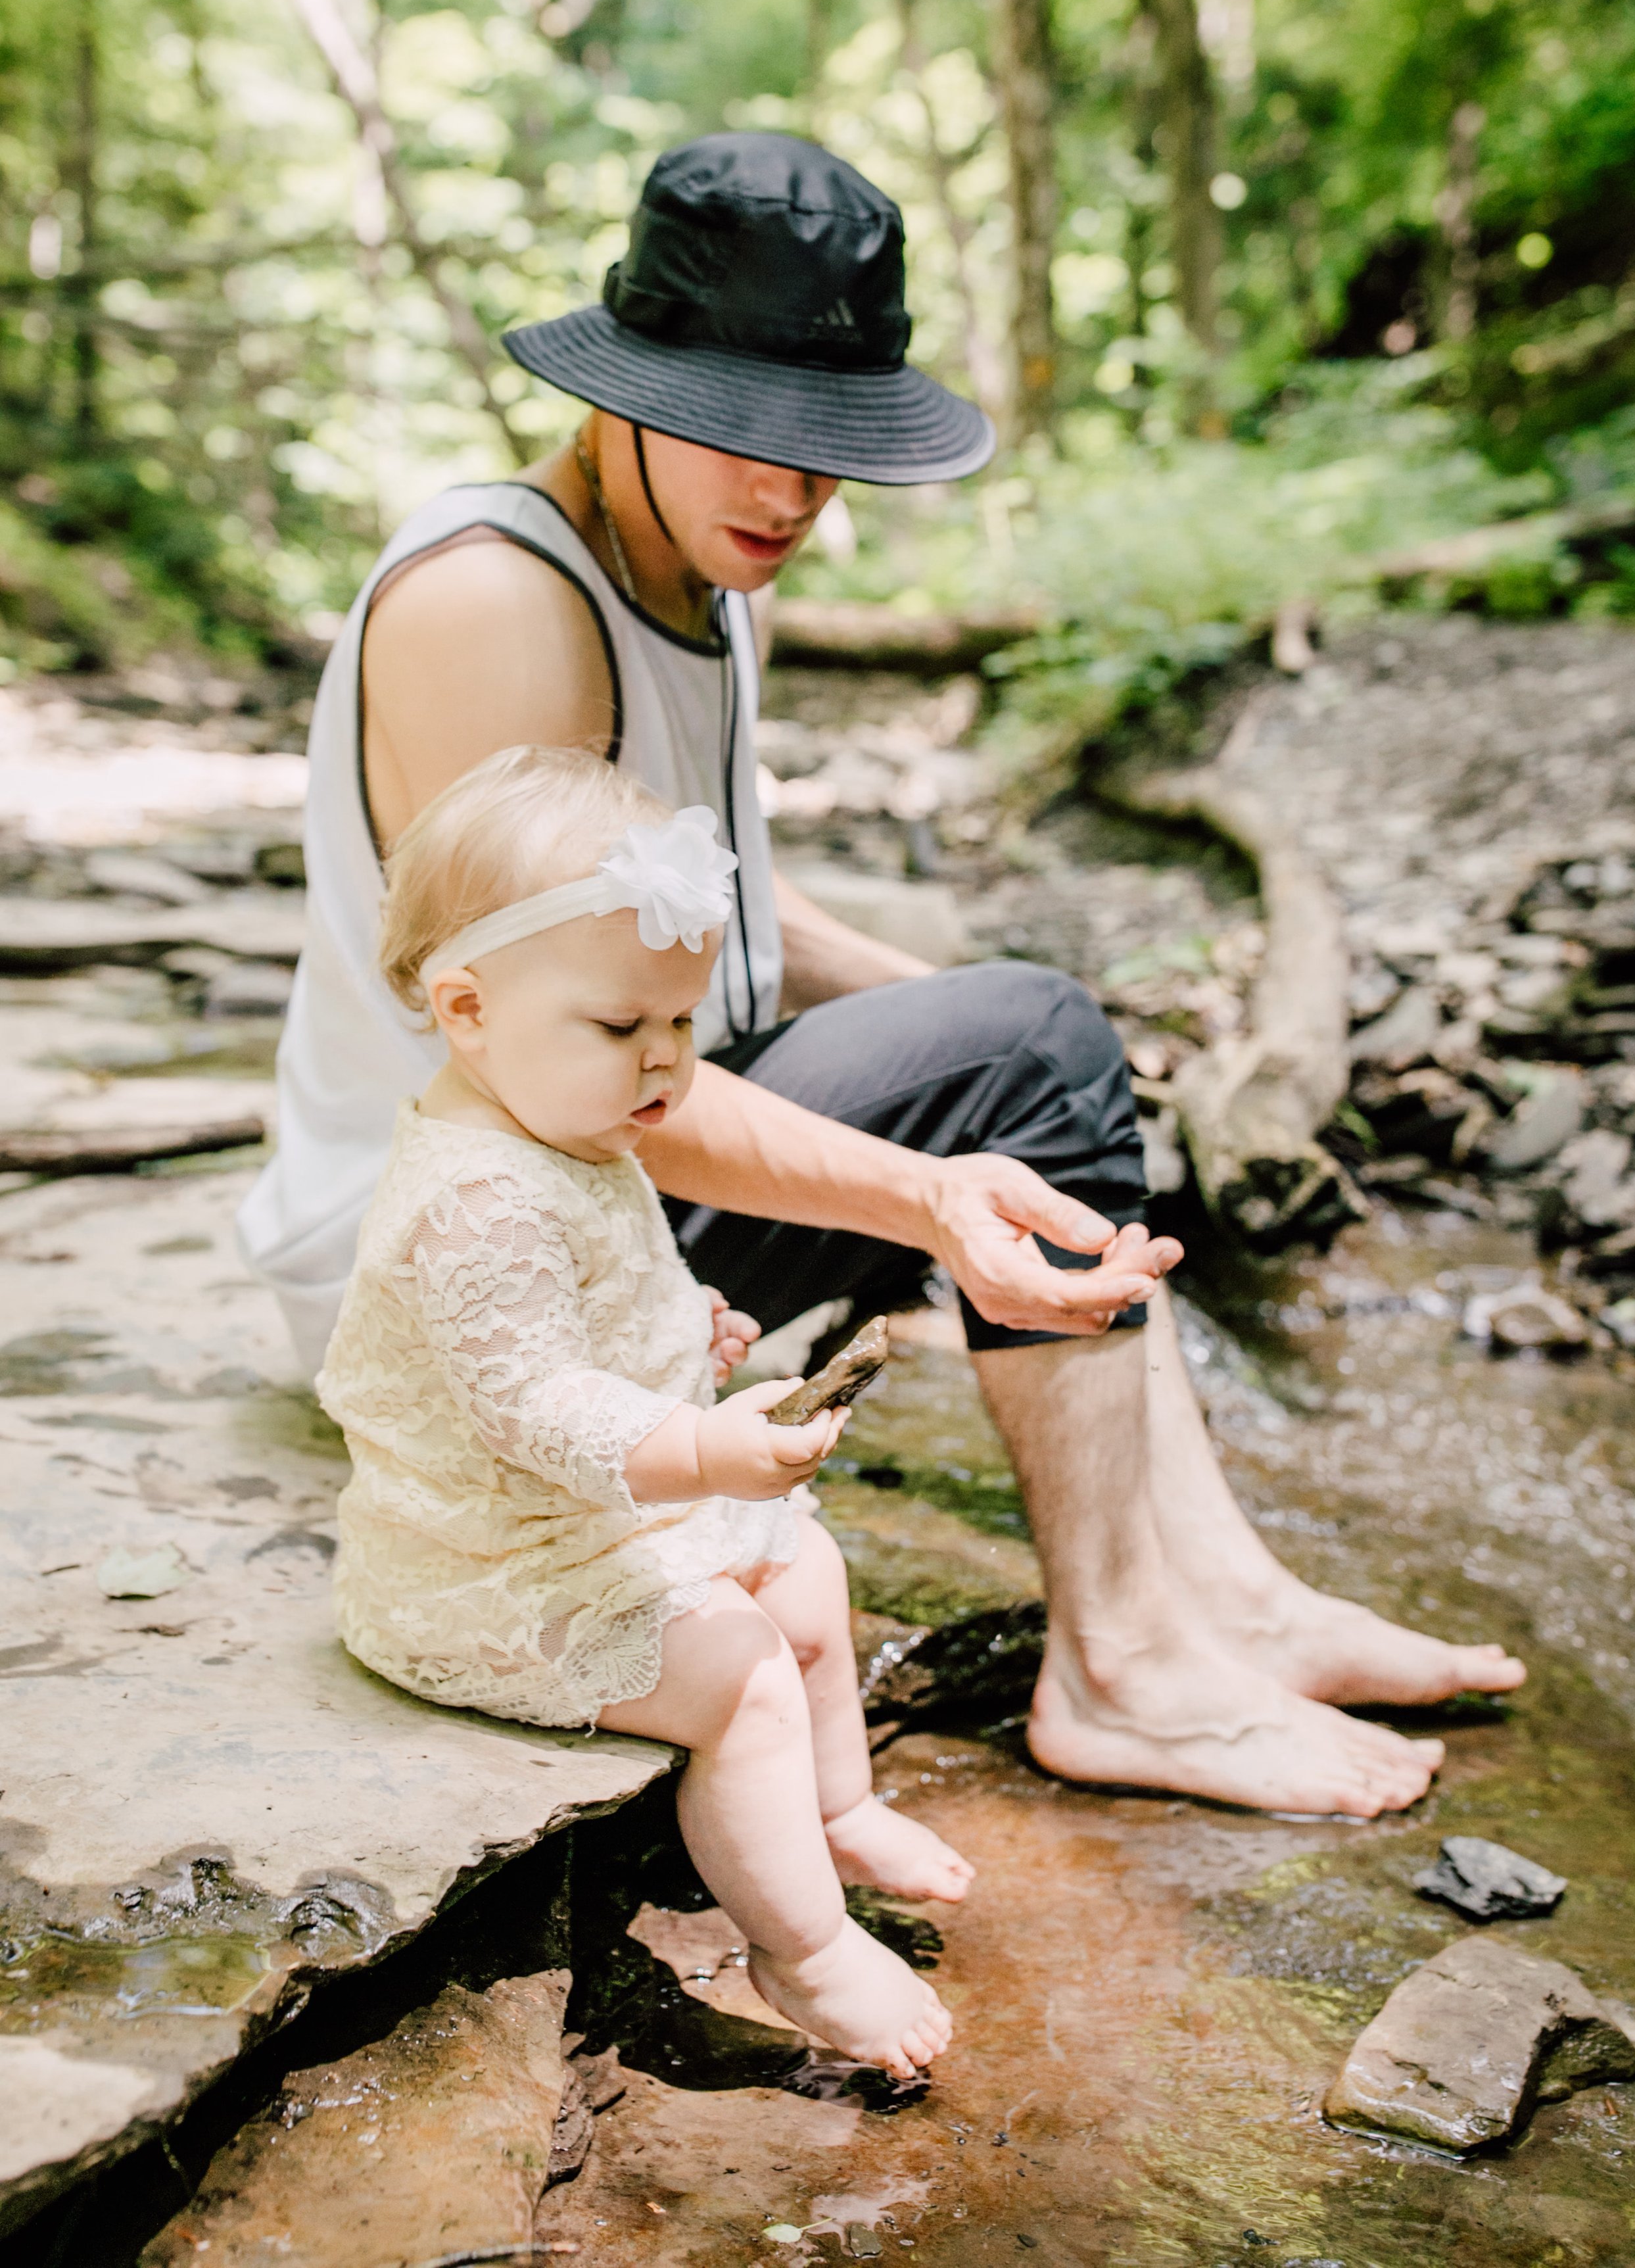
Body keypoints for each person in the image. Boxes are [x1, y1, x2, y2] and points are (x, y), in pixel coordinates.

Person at [243, 131, 1523, 1820]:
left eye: (827, 449)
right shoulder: (497, 603)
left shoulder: (699, 575)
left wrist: (968, 1018)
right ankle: (1124, 1671)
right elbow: (569, 1077)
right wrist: (939, 1175)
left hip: (582, 1195)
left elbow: (726, 934)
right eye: (747, 435)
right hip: (463, 1275)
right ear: (624, 384)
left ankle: (1224, 1602)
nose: (790, 492)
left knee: (1028, 1036)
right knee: (1022, 1050)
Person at [320, 746, 968, 2077]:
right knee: (737, 1671)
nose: (664, 1063)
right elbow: (536, 1404)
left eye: (681, 1026)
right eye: (624, 1030)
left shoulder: (561, 1123)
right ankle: (810, 1951)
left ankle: (834, 1807)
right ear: (466, 1007)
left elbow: (604, 1308)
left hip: (581, 1528)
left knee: (807, 1563)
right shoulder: (476, 1196)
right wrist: (707, 1449)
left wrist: (694, 1335)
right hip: (488, 1570)